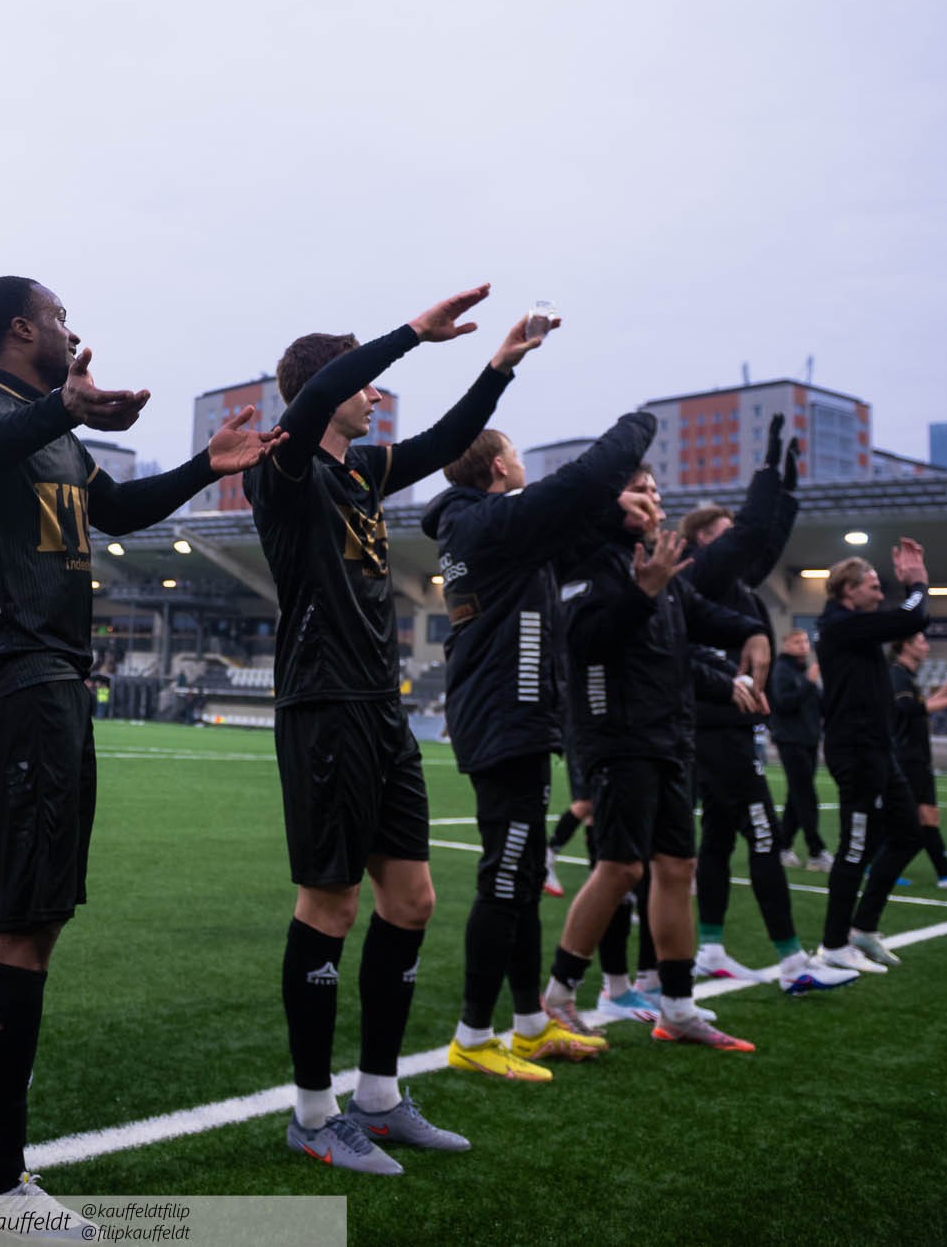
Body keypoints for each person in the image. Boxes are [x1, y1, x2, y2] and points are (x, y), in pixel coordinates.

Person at [0, 276, 276, 1217]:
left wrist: (206, 466)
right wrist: (62, 405)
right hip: (8, 677)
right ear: (22, 329)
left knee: (31, 909)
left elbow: (118, 511)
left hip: (55, 678)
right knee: (25, 922)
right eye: (59, 317)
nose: (72, 329)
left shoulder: (56, 433)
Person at [250, 289, 544, 1174]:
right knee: (330, 903)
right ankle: (312, 1114)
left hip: (380, 707)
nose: (375, 395)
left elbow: (447, 439)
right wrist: (411, 334)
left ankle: (378, 1099)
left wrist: (497, 368)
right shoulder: (284, 466)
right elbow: (316, 396)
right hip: (323, 705)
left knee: (410, 900)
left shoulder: (361, 472)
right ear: (326, 388)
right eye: (363, 383)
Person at [422, 393, 657, 1083]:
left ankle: (528, 1026)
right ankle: (472, 1035)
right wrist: (639, 423)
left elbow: (577, 531)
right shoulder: (487, 523)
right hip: (503, 715)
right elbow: (578, 484)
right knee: (504, 876)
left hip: (516, 717)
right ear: (499, 467)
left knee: (523, 879)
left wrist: (621, 519)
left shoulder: (498, 531)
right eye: (516, 454)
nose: (523, 463)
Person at [541, 469, 782, 1054]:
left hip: (670, 738)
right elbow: (585, 642)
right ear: (610, 498)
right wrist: (641, 592)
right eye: (640, 489)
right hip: (618, 738)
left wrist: (752, 634)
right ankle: (559, 995)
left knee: (676, 868)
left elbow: (692, 629)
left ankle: (676, 1009)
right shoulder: (587, 561)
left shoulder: (658, 564)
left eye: (655, 491)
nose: (652, 499)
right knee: (622, 868)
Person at [678, 422, 849, 994]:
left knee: (719, 840)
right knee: (764, 837)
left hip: (728, 726)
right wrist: (766, 472)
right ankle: (794, 963)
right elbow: (751, 536)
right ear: (704, 540)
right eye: (725, 533)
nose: (739, 542)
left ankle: (709, 949)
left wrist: (787, 492)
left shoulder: (729, 580)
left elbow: (765, 542)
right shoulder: (702, 574)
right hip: (718, 727)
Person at [813, 540, 933, 974]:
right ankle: (832, 945)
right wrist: (917, 583)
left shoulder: (856, 625)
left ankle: (863, 928)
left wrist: (911, 591)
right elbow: (912, 617)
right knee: (855, 846)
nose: (880, 594)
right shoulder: (840, 624)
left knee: (909, 833)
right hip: (857, 751)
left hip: (880, 751)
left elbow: (906, 620)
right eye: (874, 586)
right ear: (849, 590)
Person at [891, 634, 947, 890]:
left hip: (919, 757)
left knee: (928, 817)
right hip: (906, 757)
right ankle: (880, 867)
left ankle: (946, 876)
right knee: (906, 821)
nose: (927, 646)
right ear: (906, 645)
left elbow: (926, 706)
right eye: (921, 642)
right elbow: (908, 709)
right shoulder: (896, 675)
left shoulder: (908, 677)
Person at [769, 630, 829, 869]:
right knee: (806, 795)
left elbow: (820, 704)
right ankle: (816, 851)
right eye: (796, 642)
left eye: (805, 641)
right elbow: (783, 703)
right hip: (790, 740)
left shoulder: (804, 671)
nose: (803, 646)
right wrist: (809, 684)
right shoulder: (781, 670)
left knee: (796, 797)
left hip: (809, 740)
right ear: (785, 644)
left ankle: (782, 847)